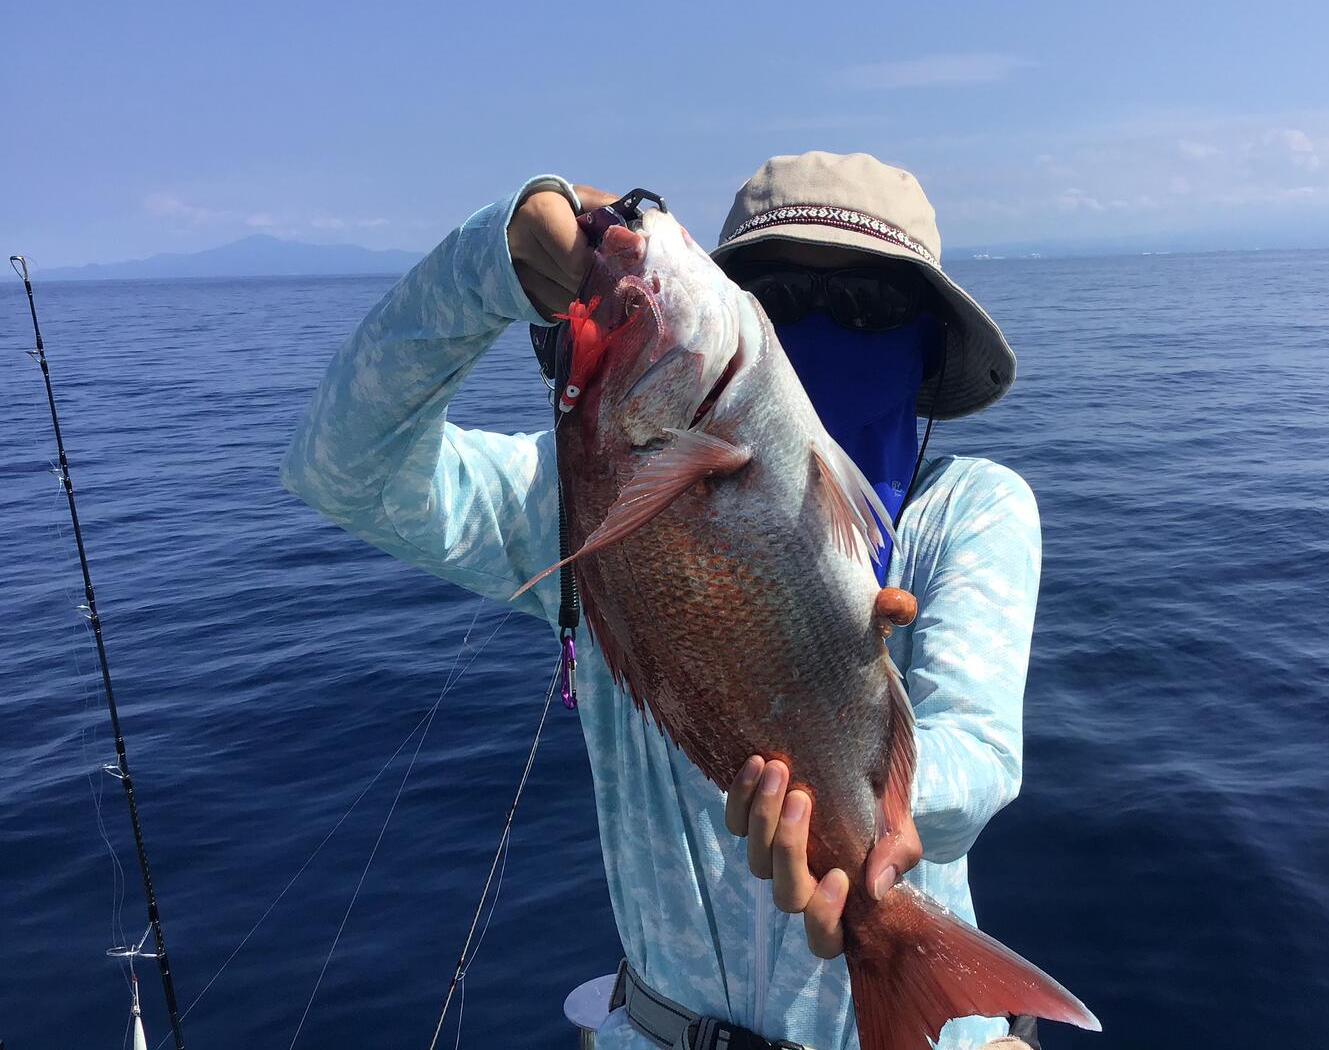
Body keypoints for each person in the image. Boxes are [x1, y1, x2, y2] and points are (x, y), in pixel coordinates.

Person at [280, 151, 1043, 1050]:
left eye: (869, 303)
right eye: (781, 296)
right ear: (737, 303)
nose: (823, 324)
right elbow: (341, 467)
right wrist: (487, 265)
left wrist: (876, 808)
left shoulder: (968, 511)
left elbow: (981, 757)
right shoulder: (584, 496)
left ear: (926, 343)